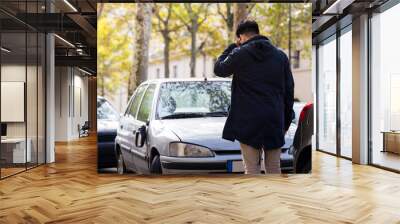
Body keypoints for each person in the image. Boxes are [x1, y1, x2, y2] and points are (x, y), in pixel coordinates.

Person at [214, 20, 294, 174]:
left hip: (248, 122)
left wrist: (232, 47)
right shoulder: (280, 56)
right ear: (257, 32)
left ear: (241, 37)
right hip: (274, 120)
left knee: (251, 169)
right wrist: (286, 122)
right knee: (274, 168)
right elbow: (289, 91)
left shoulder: (239, 54)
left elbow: (219, 69)